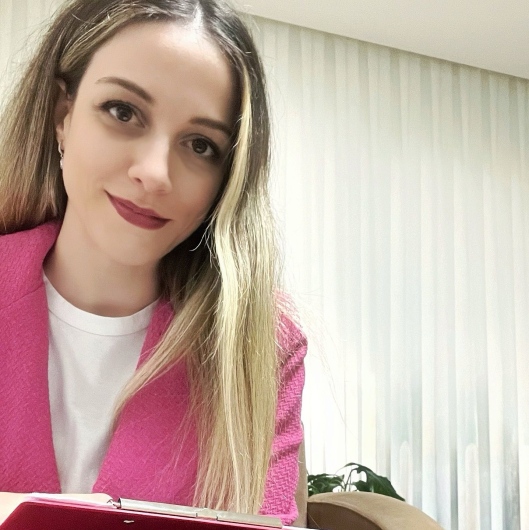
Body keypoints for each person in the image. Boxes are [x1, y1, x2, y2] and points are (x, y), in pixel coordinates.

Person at [0, 0, 306, 525]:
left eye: (200, 145)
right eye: (123, 112)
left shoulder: (261, 341)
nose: (155, 173)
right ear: (61, 115)